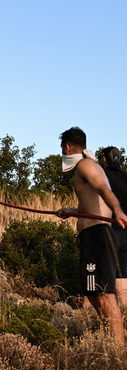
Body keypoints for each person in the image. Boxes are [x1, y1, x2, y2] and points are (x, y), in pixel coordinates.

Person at [57, 127, 127, 343]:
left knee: (106, 295)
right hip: (90, 237)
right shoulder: (82, 168)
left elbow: (104, 188)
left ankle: (117, 348)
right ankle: (111, 338)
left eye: (62, 149)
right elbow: (91, 202)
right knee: (94, 295)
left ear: (67, 147)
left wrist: (117, 211)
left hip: (99, 236)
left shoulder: (87, 165)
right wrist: (72, 211)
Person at [98, 146, 127, 308]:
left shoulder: (101, 177)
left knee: (98, 276)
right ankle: (125, 315)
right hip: (126, 232)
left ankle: (90, 317)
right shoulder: (126, 176)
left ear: (104, 159)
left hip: (108, 231)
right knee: (122, 276)